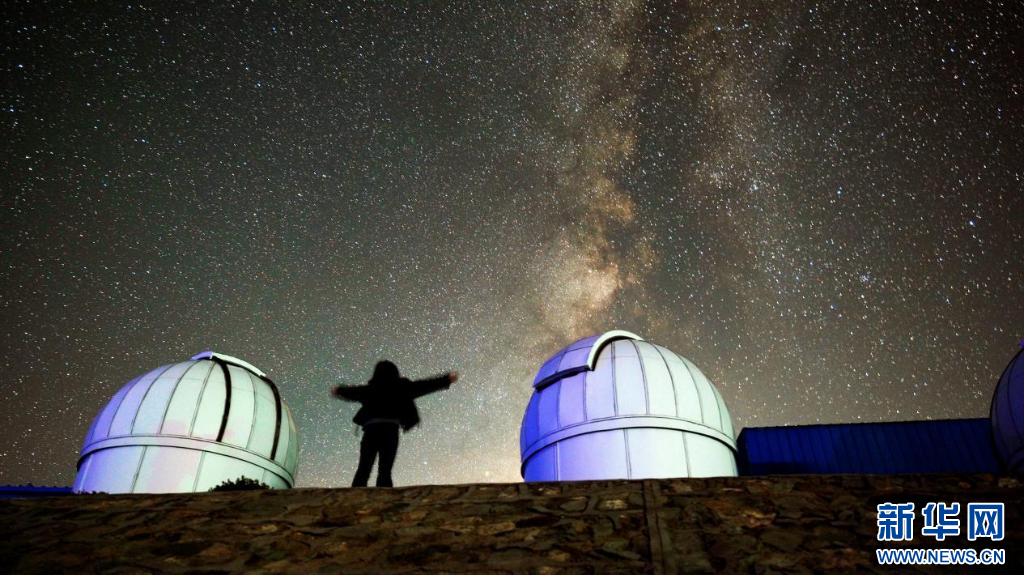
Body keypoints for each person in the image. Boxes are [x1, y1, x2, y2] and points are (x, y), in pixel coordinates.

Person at [331, 360, 458, 487]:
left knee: (364, 469)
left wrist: (339, 391)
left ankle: (355, 496)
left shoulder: (370, 389)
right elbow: (425, 386)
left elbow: (352, 392)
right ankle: (384, 497)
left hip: (371, 431)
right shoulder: (402, 387)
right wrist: (446, 379)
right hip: (390, 431)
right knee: (385, 471)